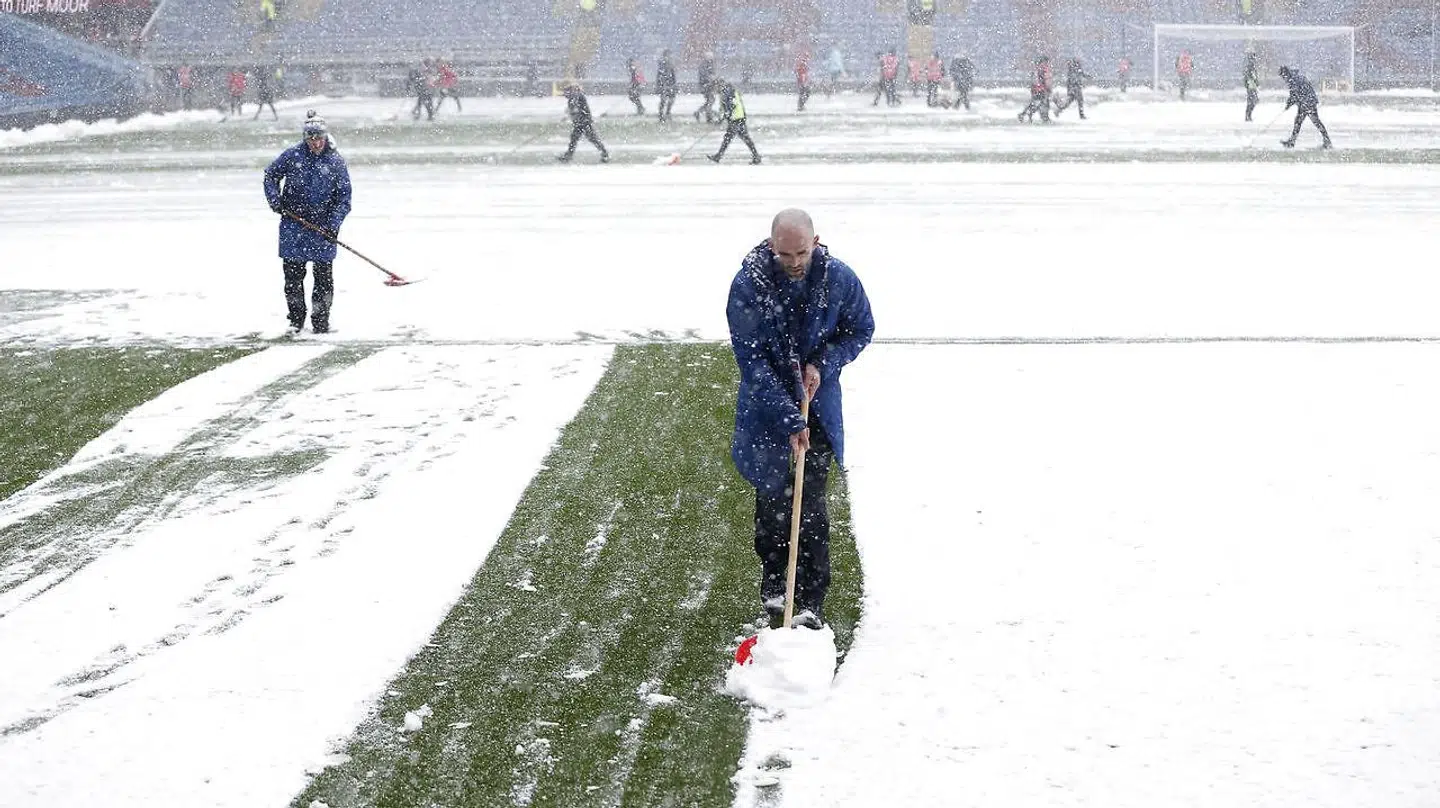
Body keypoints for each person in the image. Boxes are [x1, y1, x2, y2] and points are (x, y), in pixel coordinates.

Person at [726, 209, 875, 630]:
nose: (794, 261)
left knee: (808, 505)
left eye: (802, 252)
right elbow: (752, 361)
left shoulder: (838, 279)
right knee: (773, 501)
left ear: (817, 243)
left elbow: (860, 328)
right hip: (767, 411)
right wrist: (790, 418)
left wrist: (823, 362)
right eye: (786, 253)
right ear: (771, 246)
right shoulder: (748, 286)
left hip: (819, 408)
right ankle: (777, 590)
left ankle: (809, 598)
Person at [262, 113, 352, 335]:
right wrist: (275, 201)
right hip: (294, 226)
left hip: (323, 229)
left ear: (325, 136)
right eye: (311, 138)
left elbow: (344, 198)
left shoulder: (335, 162)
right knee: (293, 278)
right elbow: (270, 176)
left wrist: (333, 225)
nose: (315, 142)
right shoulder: (292, 155)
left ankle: (321, 322)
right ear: (305, 138)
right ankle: (295, 320)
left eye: (319, 137)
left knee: (323, 279)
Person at [708, 79, 761, 164]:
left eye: (715, 87)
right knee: (745, 138)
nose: (715, 90)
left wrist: (727, 114)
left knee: (728, 138)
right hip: (739, 118)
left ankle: (718, 156)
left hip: (736, 119)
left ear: (719, 85)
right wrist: (722, 118)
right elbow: (725, 107)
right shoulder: (727, 91)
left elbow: (732, 104)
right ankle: (756, 156)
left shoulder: (728, 91)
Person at [1279, 65, 1332, 148]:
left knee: (1310, 121)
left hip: (1307, 102)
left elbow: (1294, 94)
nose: (1283, 78)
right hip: (1307, 101)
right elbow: (1295, 94)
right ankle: (1326, 140)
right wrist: (1290, 103)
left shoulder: (1293, 80)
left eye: (1283, 76)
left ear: (1285, 74)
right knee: (1303, 121)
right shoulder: (1295, 77)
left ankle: (1327, 140)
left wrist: (1289, 104)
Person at [558, 82, 610, 163]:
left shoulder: (576, 96)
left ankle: (604, 153)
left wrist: (572, 114)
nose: (564, 95)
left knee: (591, 138)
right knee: (577, 139)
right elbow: (574, 109)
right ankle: (568, 155)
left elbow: (575, 109)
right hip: (581, 122)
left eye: (566, 92)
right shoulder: (575, 97)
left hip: (583, 122)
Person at [1019, 55, 1052, 123]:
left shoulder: (1037, 69)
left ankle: (1025, 114)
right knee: (1042, 103)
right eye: (1046, 62)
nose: (1047, 63)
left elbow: (1035, 80)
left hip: (1037, 90)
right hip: (1040, 90)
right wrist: (1047, 88)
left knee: (1035, 103)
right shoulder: (1043, 69)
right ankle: (1044, 117)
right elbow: (1045, 80)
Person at [694, 51, 717, 123]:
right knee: (710, 101)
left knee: (709, 101)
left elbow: (711, 74)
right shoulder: (704, 65)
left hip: (709, 86)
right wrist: (710, 78)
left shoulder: (710, 64)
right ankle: (708, 117)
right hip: (706, 86)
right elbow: (704, 76)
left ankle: (699, 112)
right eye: (710, 57)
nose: (712, 58)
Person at [656, 49, 678, 122]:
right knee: (663, 100)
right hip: (664, 85)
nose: (669, 57)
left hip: (670, 84)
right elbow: (660, 75)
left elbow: (673, 75)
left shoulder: (671, 64)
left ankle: (667, 113)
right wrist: (660, 85)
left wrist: (674, 84)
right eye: (668, 55)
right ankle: (661, 115)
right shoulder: (662, 64)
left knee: (671, 100)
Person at [1243, 51, 1259, 122]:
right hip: (1251, 87)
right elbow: (1250, 77)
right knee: (1252, 102)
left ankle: (1248, 116)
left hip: (1252, 86)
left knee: (1252, 102)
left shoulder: (1252, 66)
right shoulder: (1250, 67)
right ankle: (1248, 116)